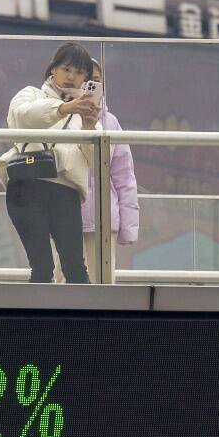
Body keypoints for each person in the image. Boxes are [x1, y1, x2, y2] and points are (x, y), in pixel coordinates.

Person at [0, 42, 98, 283]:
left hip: (65, 192)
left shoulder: (87, 111)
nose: (72, 77)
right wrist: (65, 108)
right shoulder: (31, 93)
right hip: (26, 185)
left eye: (79, 72)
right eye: (66, 69)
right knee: (42, 267)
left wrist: (88, 126)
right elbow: (22, 117)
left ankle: (85, 319)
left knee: (75, 267)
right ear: (53, 69)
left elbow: (94, 160)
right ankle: (38, 321)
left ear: (86, 78)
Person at [68, 59, 138, 280]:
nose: (91, 86)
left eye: (96, 81)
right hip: (64, 216)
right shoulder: (61, 115)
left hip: (103, 220)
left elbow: (124, 177)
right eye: (86, 80)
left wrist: (128, 226)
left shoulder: (111, 122)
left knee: (103, 286)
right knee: (63, 286)